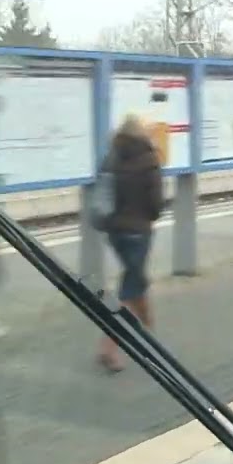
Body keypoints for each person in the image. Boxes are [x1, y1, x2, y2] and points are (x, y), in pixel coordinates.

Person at [96, 113, 165, 373]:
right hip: (139, 232)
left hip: (115, 233)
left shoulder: (112, 156)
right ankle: (109, 349)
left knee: (136, 280)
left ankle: (149, 328)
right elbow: (156, 205)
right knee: (130, 288)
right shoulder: (150, 160)